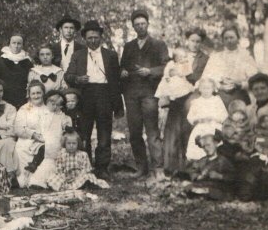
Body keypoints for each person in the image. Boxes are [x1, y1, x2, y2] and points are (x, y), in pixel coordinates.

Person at [64, 20, 123, 179]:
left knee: (104, 133)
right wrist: (78, 79)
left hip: (104, 95)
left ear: (101, 37)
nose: (93, 41)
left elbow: (116, 81)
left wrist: (117, 105)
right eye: (89, 38)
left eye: (96, 37)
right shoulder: (78, 55)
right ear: (84, 38)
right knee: (84, 133)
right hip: (85, 95)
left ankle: (102, 168)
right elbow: (67, 75)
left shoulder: (110, 55)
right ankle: (86, 166)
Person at [120, 9, 170, 177]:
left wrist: (150, 71)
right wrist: (123, 72)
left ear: (148, 24)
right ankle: (141, 167)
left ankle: (158, 168)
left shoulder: (159, 45)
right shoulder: (128, 46)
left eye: (143, 24)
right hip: (131, 94)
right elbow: (122, 67)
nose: (140, 27)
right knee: (134, 132)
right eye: (137, 25)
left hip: (150, 93)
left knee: (152, 132)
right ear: (133, 27)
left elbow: (166, 67)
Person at [162, 27, 210, 175]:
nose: (195, 44)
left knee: (188, 128)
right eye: (192, 41)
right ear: (187, 41)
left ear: (201, 43)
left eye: (198, 41)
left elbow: (201, 78)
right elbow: (169, 73)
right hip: (177, 96)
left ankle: (188, 165)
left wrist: (185, 75)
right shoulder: (180, 56)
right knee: (173, 130)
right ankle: (171, 165)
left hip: (193, 96)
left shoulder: (205, 59)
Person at [18, 89, 72, 188]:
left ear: (61, 105)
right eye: (52, 104)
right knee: (41, 147)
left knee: (47, 148)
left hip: (56, 138)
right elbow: (39, 126)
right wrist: (37, 134)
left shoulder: (62, 116)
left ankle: (38, 170)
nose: (55, 107)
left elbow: (65, 124)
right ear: (47, 104)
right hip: (44, 137)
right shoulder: (43, 115)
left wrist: (67, 127)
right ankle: (33, 165)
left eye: (58, 105)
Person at [201, 23, 259, 107]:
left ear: (238, 38)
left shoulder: (245, 56)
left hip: (239, 93)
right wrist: (219, 86)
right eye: (226, 38)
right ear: (223, 40)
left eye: (232, 37)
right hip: (219, 93)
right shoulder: (216, 57)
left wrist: (240, 84)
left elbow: (254, 79)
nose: (229, 41)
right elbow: (206, 78)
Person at [13, 80, 48, 183]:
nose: (36, 96)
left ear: (43, 94)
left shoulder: (48, 108)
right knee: (22, 148)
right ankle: (25, 180)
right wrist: (33, 134)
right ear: (29, 95)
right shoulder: (24, 109)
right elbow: (18, 129)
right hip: (27, 140)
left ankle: (39, 181)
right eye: (33, 93)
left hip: (44, 140)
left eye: (38, 93)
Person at [186, 77, 229, 162]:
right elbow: (190, 116)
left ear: (213, 89)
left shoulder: (216, 100)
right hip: (201, 127)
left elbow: (224, 115)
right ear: (200, 89)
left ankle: (215, 160)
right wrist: (198, 120)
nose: (206, 90)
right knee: (198, 142)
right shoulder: (196, 102)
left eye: (208, 88)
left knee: (215, 141)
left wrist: (215, 118)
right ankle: (200, 161)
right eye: (203, 88)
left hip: (214, 126)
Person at [0, 33, 34, 108]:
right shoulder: (0, 62)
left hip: (22, 100)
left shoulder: (28, 63)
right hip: (4, 99)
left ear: (22, 46)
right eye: (14, 43)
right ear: (9, 44)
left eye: (19, 43)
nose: (16, 46)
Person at [62, 87, 87, 152]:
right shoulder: (63, 113)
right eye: (68, 101)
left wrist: (84, 139)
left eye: (72, 101)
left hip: (77, 136)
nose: (70, 103)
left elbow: (83, 127)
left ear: (77, 101)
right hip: (66, 136)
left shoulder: (79, 113)